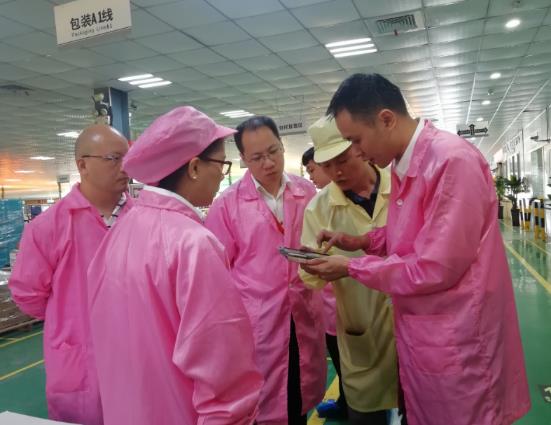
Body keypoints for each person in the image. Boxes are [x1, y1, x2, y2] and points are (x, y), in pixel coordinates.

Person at [303, 73, 531, 425]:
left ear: (386, 119)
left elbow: (434, 265)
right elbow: (412, 233)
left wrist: (351, 266)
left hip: (460, 341)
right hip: (426, 338)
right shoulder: (405, 163)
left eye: (355, 140)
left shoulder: (451, 162)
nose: (357, 152)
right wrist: (363, 242)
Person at [87, 106, 262, 425]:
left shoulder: (118, 234)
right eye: (221, 164)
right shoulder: (193, 244)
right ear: (194, 167)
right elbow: (223, 373)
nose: (222, 175)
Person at [9, 124, 133, 425]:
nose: (125, 167)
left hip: (138, 353)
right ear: (83, 165)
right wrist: (70, 319)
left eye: (129, 158)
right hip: (80, 361)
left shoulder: (144, 218)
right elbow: (28, 295)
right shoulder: (49, 227)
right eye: (114, 158)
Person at [205, 116, 326, 425]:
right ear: (243, 159)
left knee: (299, 392)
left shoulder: (306, 191)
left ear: (282, 146)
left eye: (273, 151)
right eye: (257, 157)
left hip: (303, 311)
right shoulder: (227, 205)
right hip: (258, 321)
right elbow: (218, 274)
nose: (269, 163)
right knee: (262, 399)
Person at [300, 116, 398, 425]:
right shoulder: (319, 208)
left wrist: (349, 265)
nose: (336, 172)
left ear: (360, 148)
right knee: (366, 415)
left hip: (416, 328)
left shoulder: (402, 186)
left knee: (424, 409)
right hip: (362, 333)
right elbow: (310, 278)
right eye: (327, 165)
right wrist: (314, 266)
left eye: (342, 160)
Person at [301, 147, 347, 420]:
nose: (312, 177)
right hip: (331, 304)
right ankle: (345, 401)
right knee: (342, 361)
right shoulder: (317, 205)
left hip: (352, 301)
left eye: (312, 170)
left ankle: (349, 404)